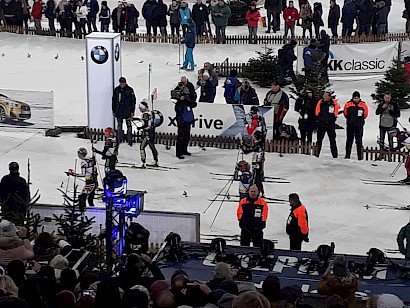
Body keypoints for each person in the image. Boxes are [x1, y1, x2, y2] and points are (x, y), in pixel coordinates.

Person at [173, 76, 197, 159]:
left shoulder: (190, 87)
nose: (183, 84)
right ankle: (179, 152)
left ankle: (184, 150)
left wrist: (187, 98)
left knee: (187, 134)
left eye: (184, 82)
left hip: (187, 114)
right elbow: (173, 97)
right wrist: (179, 97)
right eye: (181, 82)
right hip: (180, 115)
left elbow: (193, 101)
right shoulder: (178, 87)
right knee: (181, 135)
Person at [0, 162, 29, 226]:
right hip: (17, 212)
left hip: (9, 211)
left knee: (7, 230)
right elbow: (27, 197)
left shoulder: (5, 179)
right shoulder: (21, 180)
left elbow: (1, 194)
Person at [343, 91, 368, 160]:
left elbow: (365, 114)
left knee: (359, 141)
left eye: (357, 98)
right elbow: (345, 113)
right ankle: (347, 155)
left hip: (359, 126)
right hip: (350, 125)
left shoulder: (363, 105)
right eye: (355, 98)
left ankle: (359, 156)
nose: (356, 99)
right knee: (349, 141)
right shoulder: (348, 104)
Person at [112, 77, 136, 146]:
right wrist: (114, 110)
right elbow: (113, 101)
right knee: (119, 125)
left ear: (125, 83)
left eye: (123, 83)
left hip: (127, 111)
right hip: (118, 111)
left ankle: (129, 139)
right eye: (121, 83)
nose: (122, 84)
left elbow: (133, 101)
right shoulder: (116, 90)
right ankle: (119, 139)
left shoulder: (130, 90)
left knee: (129, 125)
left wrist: (132, 111)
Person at [241, 130, 266, 196]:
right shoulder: (259, 144)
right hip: (258, 164)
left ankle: (259, 192)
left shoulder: (258, 145)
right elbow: (251, 148)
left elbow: (247, 151)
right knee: (257, 179)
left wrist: (242, 147)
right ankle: (260, 192)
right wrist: (244, 144)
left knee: (256, 179)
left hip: (257, 165)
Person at [315, 91, 339, 158]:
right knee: (319, 140)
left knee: (332, 140)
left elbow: (336, 111)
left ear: (329, 97)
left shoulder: (334, 103)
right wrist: (320, 118)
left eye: (325, 96)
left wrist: (332, 118)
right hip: (322, 123)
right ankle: (316, 154)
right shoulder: (320, 102)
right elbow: (317, 111)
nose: (324, 97)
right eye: (323, 96)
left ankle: (335, 155)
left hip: (330, 124)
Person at [137, 101, 159, 167]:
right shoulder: (151, 113)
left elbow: (146, 123)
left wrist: (140, 127)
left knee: (142, 147)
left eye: (140, 108)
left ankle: (143, 162)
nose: (139, 109)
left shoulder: (145, 114)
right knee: (152, 147)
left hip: (147, 134)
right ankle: (155, 161)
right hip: (152, 132)